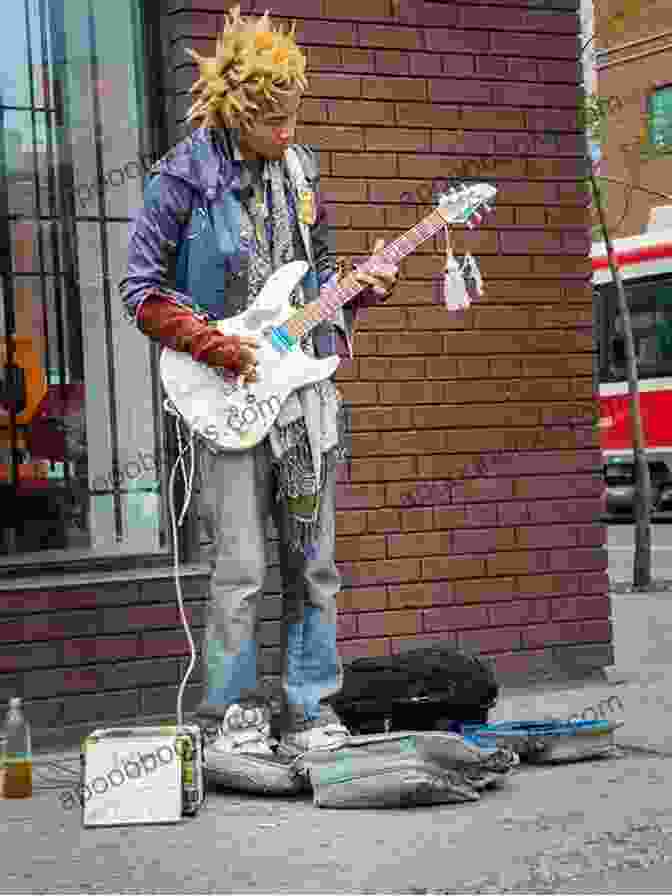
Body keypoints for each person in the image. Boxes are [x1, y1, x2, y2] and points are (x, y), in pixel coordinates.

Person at [119, 6, 398, 759]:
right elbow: (140, 291)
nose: (286, 130)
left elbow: (322, 281)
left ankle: (309, 711)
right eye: (272, 118)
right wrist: (216, 346)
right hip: (229, 396)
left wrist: (364, 286)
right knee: (239, 567)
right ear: (237, 110)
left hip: (304, 401)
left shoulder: (304, 171)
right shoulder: (182, 176)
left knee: (314, 563)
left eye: (293, 114)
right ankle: (231, 717)